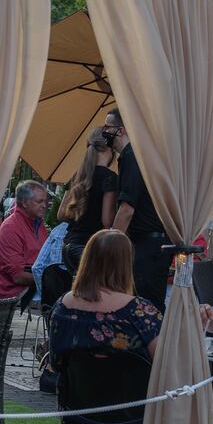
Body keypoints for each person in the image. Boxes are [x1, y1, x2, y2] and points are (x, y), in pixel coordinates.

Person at [47, 229, 161, 424]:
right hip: (137, 416)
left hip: (78, 410)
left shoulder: (62, 309)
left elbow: (55, 363)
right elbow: (164, 365)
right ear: (125, 263)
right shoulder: (140, 312)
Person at [105, 108, 172, 310]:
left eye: (108, 126)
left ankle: (154, 342)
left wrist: (110, 245)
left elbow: (127, 209)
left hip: (148, 244)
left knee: (145, 305)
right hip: (152, 243)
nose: (104, 131)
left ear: (121, 130)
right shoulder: (137, 155)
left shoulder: (133, 156)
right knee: (146, 303)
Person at [57, 129, 119, 271]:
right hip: (87, 247)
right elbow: (107, 221)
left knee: (78, 290)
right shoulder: (110, 177)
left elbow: (61, 214)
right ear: (110, 148)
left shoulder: (78, 175)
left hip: (68, 245)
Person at [0, 180, 50, 299]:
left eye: (45, 201)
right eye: (39, 201)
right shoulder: (10, 229)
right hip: (19, 296)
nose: (44, 205)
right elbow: (18, 276)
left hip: (39, 290)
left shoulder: (39, 225)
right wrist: (51, 280)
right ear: (24, 202)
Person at [31, 220, 69, 303]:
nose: (44, 206)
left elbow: (37, 267)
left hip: (55, 301)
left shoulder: (58, 230)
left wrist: (46, 298)